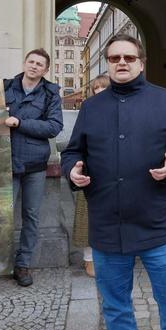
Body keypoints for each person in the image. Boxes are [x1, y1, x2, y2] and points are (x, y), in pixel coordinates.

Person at [61, 34, 166, 330]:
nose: (122, 62)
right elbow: (72, 152)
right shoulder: (92, 107)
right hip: (108, 225)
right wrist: (72, 171)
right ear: (107, 64)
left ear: (141, 63)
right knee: (116, 309)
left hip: (157, 223)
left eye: (128, 58)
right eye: (115, 58)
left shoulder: (164, 100)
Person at [0, 49, 63, 289]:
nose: (34, 66)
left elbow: (54, 127)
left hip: (34, 164)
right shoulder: (4, 87)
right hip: (6, 160)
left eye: (40, 64)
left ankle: (22, 265)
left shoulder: (50, 93)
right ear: (25, 63)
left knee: (31, 216)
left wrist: (21, 123)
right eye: (31, 62)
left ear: (45, 70)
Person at [72, 74, 110, 277]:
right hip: (91, 170)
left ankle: (110, 258)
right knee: (87, 218)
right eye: (97, 88)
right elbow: (77, 143)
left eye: (104, 87)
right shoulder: (88, 110)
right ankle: (89, 259)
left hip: (114, 172)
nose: (100, 91)